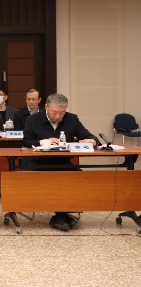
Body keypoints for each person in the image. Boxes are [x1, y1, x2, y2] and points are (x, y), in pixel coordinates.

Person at [22, 93, 99, 231]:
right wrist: (44, 142)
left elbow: (88, 135)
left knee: (79, 177)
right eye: (55, 112)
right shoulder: (33, 119)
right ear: (46, 107)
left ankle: (61, 216)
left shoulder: (72, 119)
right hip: (40, 162)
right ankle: (61, 216)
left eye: (62, 113)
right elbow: (26, 142)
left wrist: (93, 141)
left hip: (63, 162)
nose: (58, 116)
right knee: (55, 179)